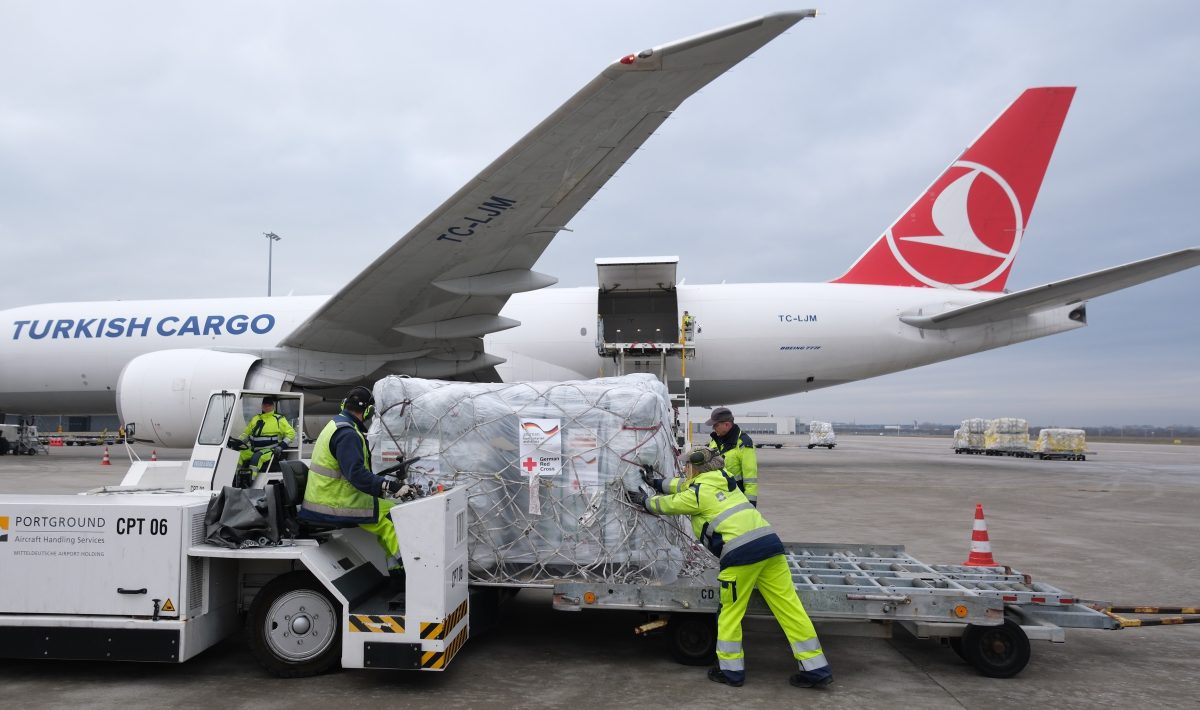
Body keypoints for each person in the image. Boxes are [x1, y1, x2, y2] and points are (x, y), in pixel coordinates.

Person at [632, 447, 832, 689]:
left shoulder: (697, 494)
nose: (684, 470)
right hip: (770, 546)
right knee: (790, 609)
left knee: (729, 613)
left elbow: (667, 504)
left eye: (687, 466)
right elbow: (681, 486)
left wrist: (644, 499)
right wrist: (657, 481)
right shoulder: (724, 480)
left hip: (741, 555)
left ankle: (731, 672)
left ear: (695, 468)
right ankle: (816, 669)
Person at [299, 386, 406, 582]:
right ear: (368, 411)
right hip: (334, 502)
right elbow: (356, 475)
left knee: (389, 511)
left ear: (343, 405)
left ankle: (396, 569)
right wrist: (390, 486)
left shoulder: (338, 425)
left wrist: (383, 484)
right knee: (394, 517)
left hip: (330, 496)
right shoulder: (348, 434)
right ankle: (409, 570)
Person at [705, 407, 758, 506]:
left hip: (736, 498)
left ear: (727, 424)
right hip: (716, 496)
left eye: (715, 425)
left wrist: (750, 504)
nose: (713, 428)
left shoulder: (744, 444)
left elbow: (750, 478)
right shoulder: (715, 440)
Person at [237, 396, 296, 477]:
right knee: (238, 455)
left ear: (273, 406)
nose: (266, 406)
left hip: (270, 450)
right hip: (254, 449)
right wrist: (238, 442)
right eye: (265, 404)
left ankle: (248, 483)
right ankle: (234, 478)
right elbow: (246, 434)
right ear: (262, 406)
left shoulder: (278, 419)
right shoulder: (256, 418)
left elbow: (291, 433)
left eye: (269, 404)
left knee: (256, 458)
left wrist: (281, 446)